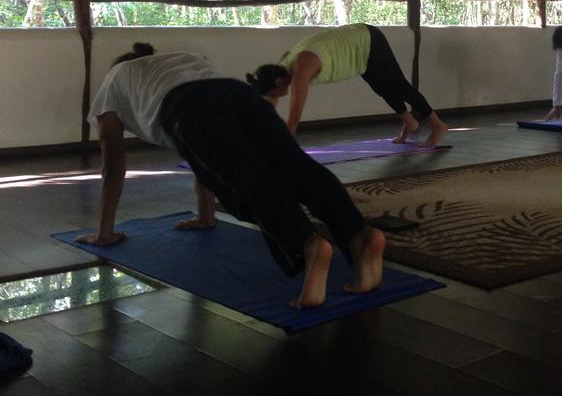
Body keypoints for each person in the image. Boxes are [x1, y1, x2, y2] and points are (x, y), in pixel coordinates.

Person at [76, 43, 386, 308]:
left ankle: (307, 244)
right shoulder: (180, 59)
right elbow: (200, 160)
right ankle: (360, 234)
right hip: (240, 93)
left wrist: (105, 233)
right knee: (296, 166)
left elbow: (113, 167)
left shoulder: (114, 79)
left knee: (247, 177)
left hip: (187, 107)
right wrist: (205, 216)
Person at [253, 24, 448, 147]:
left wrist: (284, 154)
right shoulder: (281, 67)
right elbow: (269, 103)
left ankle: (438, 125)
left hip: (367, 40)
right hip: (354, 52)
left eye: (276, 92)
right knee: (381, 88)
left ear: (278, 82)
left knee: (399, 86)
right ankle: (409, 122)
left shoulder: (300, 70)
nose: (279, 96)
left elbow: (293, 120)